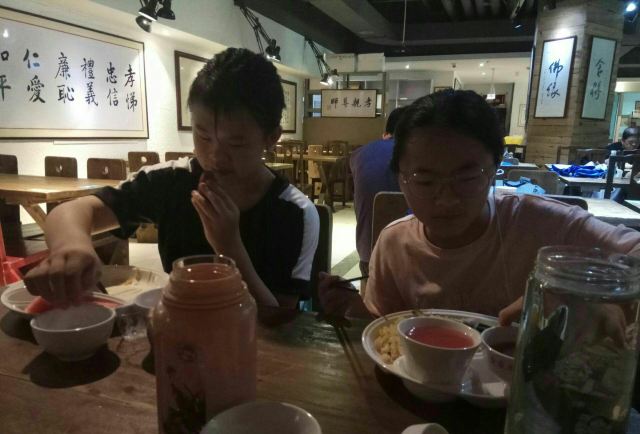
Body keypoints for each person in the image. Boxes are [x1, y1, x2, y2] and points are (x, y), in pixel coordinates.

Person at [25, 48, 319, 308]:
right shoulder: (171, 181)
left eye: (236, 143)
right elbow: (72, 211)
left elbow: (279, 319)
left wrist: (229, 247)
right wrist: (71, 246)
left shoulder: (294, 212)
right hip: (178, 327)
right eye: (203, 136)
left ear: (271, 138)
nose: (216, 156)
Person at [319, 90, 640, 325]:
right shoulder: (395, 243)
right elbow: (385, 332)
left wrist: (580, 294)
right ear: (400, 179)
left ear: (495, 169)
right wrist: (350, 307)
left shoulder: (540, 223)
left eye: (467, 177)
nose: (446, 199)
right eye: (425, 181)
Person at [349, 107, 406, 275]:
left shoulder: (358, 154)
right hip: (411, 255)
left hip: (367, 253)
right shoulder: (419, 154)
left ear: (386, 133)